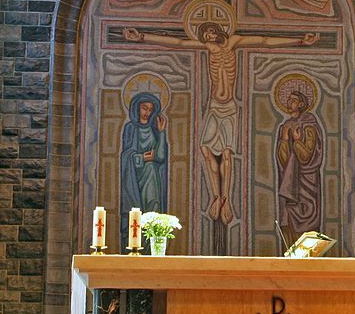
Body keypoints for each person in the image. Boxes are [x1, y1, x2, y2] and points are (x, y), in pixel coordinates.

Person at [122, 22, 319, 225]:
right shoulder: (207, 48)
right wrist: (142, 37)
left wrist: (299, 40)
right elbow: (178, 42)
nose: (207, 36)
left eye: (209, 32)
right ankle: (216, 196)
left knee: (226, 153)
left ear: (218, 32)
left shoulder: (234, 42)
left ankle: (226, 199)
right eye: (204, 33)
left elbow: (264, 40)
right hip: (214, 106)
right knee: (206, 150)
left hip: (229, 108)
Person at [275, 89, 324, 244]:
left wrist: (296, 141)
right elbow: (283, 160)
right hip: (289, 181)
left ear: (301, 104)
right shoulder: (286, 126)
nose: (289, 102)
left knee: (306, 217)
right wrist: (284, 140)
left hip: (306, 181)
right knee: (288, 215)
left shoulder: (309, 125)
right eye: (288, 99)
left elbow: (306, 157)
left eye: (293, 100)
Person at [119, 92, 168, 244]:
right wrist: (142, 158)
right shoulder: (130, 128)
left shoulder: (154, 130)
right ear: (136, 108)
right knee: (135, 219)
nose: (147, 113)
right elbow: (126, 156)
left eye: (150, 110)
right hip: (133, 181)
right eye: (144, 108)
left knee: (152, 215)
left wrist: (161, 133)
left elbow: (159, 156)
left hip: (151, 180)